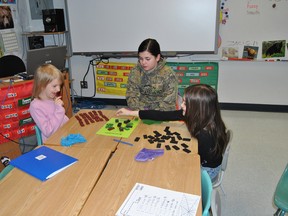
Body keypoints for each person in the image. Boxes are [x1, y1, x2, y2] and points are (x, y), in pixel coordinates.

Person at [117, 84, 230, 180]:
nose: (181, 105)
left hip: (207, 170)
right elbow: (162, 115)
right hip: (202, 159)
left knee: (168, 174)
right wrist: (131, 113)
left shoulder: (205, 135)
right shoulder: (201, 114)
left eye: (185, 103)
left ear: (197, 107)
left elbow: (194, 160)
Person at [126, 38, 178, 111]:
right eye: (141, 58)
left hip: (161, 114)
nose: (143, 62)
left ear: (157, 57)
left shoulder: (169, 75)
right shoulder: (135, 72)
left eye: (147, 59)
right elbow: (131, 97)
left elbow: (168, 104)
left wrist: (150, 113)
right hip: (139, 112)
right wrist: (142, 111)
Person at [29, 64, 69, 142]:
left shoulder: (52, 99)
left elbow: (63, 121)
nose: (58, 89)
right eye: (54, 86)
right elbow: (49, 132)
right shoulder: (36, 106)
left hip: (64, 137)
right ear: (42, 85)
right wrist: (59, 110)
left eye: (59, 86)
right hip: (53, 143)